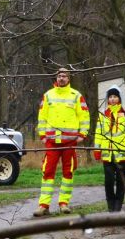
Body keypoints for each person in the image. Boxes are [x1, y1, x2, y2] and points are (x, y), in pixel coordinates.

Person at [34, 67, 90, 216]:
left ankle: (64, 203)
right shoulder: (48, 95)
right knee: (47, 171)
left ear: (69, 79)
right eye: (59, 76)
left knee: (68, 172)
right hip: (51, 142)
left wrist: (82, 135)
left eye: (65, 76)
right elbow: (42, 117)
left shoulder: (76, 96)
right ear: (56, 78)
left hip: (69, 142)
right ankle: (43, 205)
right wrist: (43, 135)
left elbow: (84, 116)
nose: (62, 78)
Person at [93, 86, 125, 212]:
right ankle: (111, 207)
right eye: (110, 97)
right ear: (107, 99)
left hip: (122, 154)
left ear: (119, 98)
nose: (113, 99)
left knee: (121, 183)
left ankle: (117, 208)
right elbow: (98, 133)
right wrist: (97, 149)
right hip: (107, 154)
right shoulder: (103, 115)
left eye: (115, 96)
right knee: (108, 182)